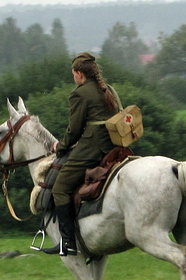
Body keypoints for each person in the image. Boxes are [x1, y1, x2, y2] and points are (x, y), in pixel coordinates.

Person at [42, 52, 121, 256]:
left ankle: (67, 241)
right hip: (114, 146)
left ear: (78, 73)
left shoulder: (79, 93)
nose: (73, 77)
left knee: (60, 188)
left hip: (92, 147)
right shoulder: (108, 89)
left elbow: (75, 129)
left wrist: (60, 146)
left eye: (73, 74)